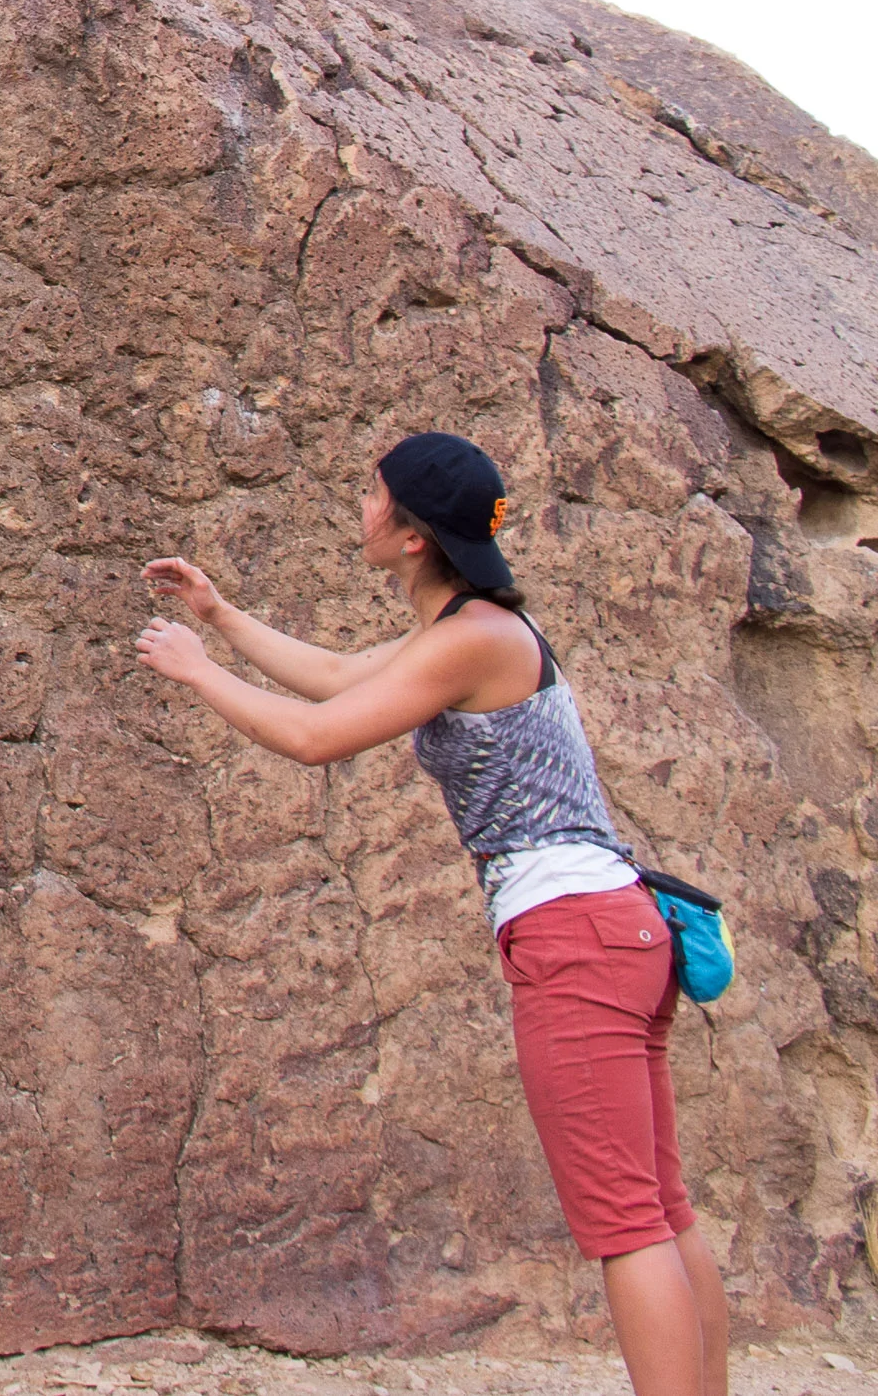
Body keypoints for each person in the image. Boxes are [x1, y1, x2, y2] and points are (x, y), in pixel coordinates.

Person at [136, 433, 726, 1396]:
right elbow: (333, 676)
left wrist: (198, 670)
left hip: (575, 936)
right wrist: (222, 616)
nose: (361, 507)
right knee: (661, 1210)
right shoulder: (468, 631)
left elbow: (320, 736)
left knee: (627, 1226)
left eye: (374, 496)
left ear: (412, 536)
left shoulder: (473, 640)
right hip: (614, 931)